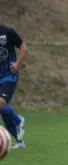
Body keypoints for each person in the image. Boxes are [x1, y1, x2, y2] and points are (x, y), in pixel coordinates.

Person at [0, 15, 27, 149]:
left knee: (0, 103)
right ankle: (19, 141)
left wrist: (17, 64)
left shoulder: (8, 32)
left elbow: (23, 47)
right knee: (4, 113)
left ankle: (18, 119)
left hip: (8, 75)